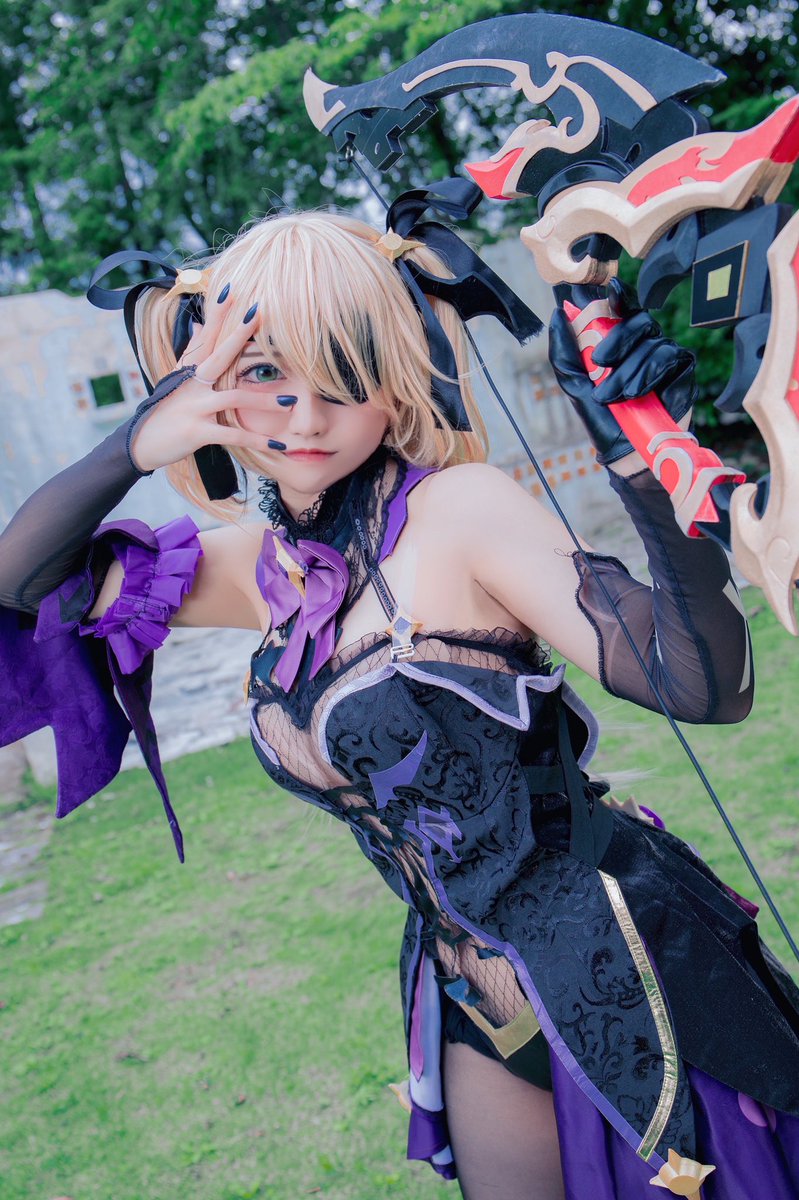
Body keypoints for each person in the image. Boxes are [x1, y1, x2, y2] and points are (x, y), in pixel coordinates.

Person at [1, 206, 798, 1200]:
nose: (304, 418)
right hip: (460, 988)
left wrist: (646, 471)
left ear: (393, 372)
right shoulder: (262, 568)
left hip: (626, 966)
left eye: (341, 374)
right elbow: (27, 585)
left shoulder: (460, 512)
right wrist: (138, 441)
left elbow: (702, 687)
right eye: (266, 373)